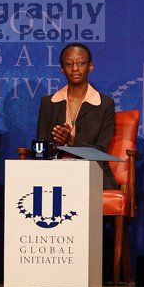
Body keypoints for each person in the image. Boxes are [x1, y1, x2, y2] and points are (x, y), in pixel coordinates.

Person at [36, 42, 118, 190]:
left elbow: (100, 152)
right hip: (54, 174)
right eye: (68, 64)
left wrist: (72, 141)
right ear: (62, 69)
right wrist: (53, 148)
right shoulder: (48, 102)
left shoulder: (105, 104)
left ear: (90, 66)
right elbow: (40, 148)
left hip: (91, 173)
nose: (75, 68)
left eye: (80, 63)